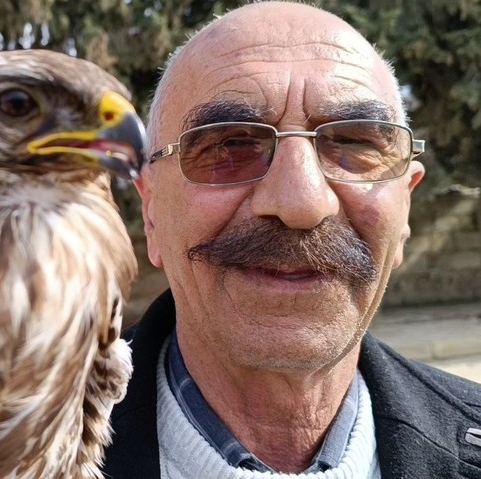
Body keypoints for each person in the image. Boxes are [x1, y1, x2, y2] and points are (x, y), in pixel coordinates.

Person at [102, 2, 481, 478]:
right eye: (230, 145)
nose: (302, 203)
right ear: (152, 211)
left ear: (404, 209)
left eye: (354, 144)